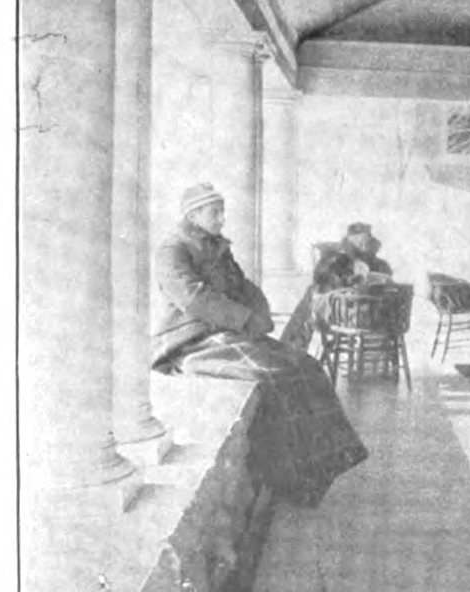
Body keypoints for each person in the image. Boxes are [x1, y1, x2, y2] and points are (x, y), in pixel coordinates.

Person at [152, 183, 367, 506]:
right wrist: (245, 320)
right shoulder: (173, 249)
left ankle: (319, 465)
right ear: (193, 214)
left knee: (304, 364)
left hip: (225, 333)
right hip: (190, 342)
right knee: (273, 374)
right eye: (215, 212)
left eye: (222, 211)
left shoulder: (216, 247)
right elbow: (193, 298)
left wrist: (261, 315)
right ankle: (290, 477)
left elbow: (242, 285)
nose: (222, 218)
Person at [313, 221, 393, 292]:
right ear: (349, 242)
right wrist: (349, 281)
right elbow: (323, 281)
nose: (362, 242)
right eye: (357, 239)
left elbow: (389, 282)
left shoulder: (381, 264)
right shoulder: (336, 261)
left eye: (365, 239)